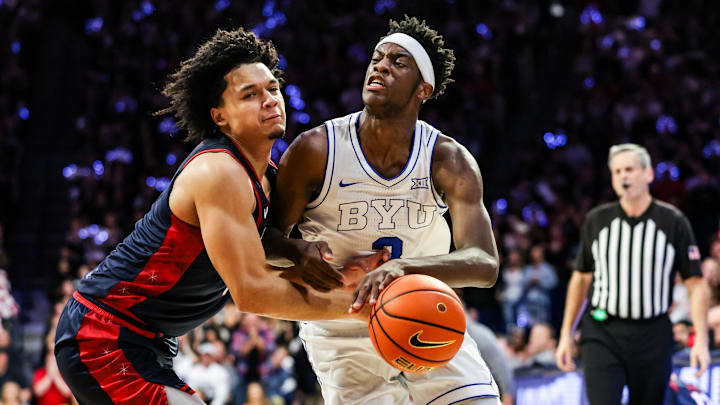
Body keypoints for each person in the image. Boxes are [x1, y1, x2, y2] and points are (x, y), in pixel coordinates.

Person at [54, 27, 377, 405]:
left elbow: (254, 260)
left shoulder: (268, 177)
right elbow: (252, 291)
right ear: (219, 117)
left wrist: (337, 274)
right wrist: (363, 310)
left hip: (147, 339)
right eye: (250, 94)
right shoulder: (219, 172)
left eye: (272, 89)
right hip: (104, 331)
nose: (270, 100)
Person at [263, 16, 500, 405]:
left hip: (424, 311)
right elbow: (267, 240)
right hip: (338, 321)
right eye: (377, 58)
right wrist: (294, 251)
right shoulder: (315, 150)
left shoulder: (448, 159)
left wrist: (405, 268)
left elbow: (484, 262)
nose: (381, 66)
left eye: (398, 62)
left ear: (424, 88)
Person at [555, 143, 710, 404]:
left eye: (629, 169)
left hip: (653, 334)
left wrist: (701, 340)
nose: (623, 176)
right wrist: (565, 334)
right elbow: (580, 279)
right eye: (616, 172)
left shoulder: (673, 222)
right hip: (602, 331)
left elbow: (696, 284)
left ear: (648, 174)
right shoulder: (597, 220)